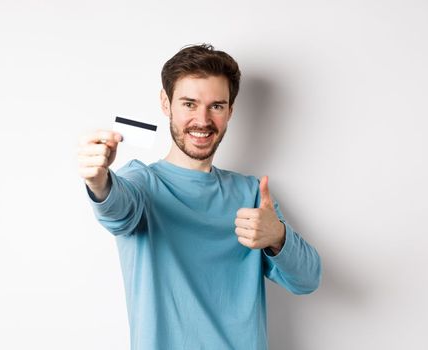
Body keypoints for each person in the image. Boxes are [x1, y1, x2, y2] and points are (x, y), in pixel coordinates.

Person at [77, 44, 321, 350]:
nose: (202, 120)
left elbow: (308, 280)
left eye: (216, 106)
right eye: (189, 104)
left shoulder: (252, 193)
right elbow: (117, 209)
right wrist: (98, 181)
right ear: (166, 103)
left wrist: (278, 236)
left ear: (230, 111)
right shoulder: (141, 182)